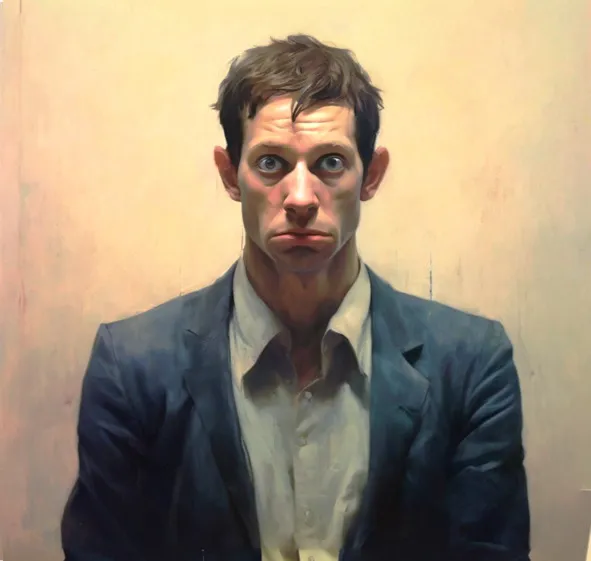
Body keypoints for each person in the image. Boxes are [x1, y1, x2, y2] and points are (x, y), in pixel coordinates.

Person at [61, 34, 530, 561]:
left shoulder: (470, 365)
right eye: (270, 163)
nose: (301, 198)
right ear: (229, 175)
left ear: (371, 175)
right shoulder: (132, 367)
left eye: (330, 162)